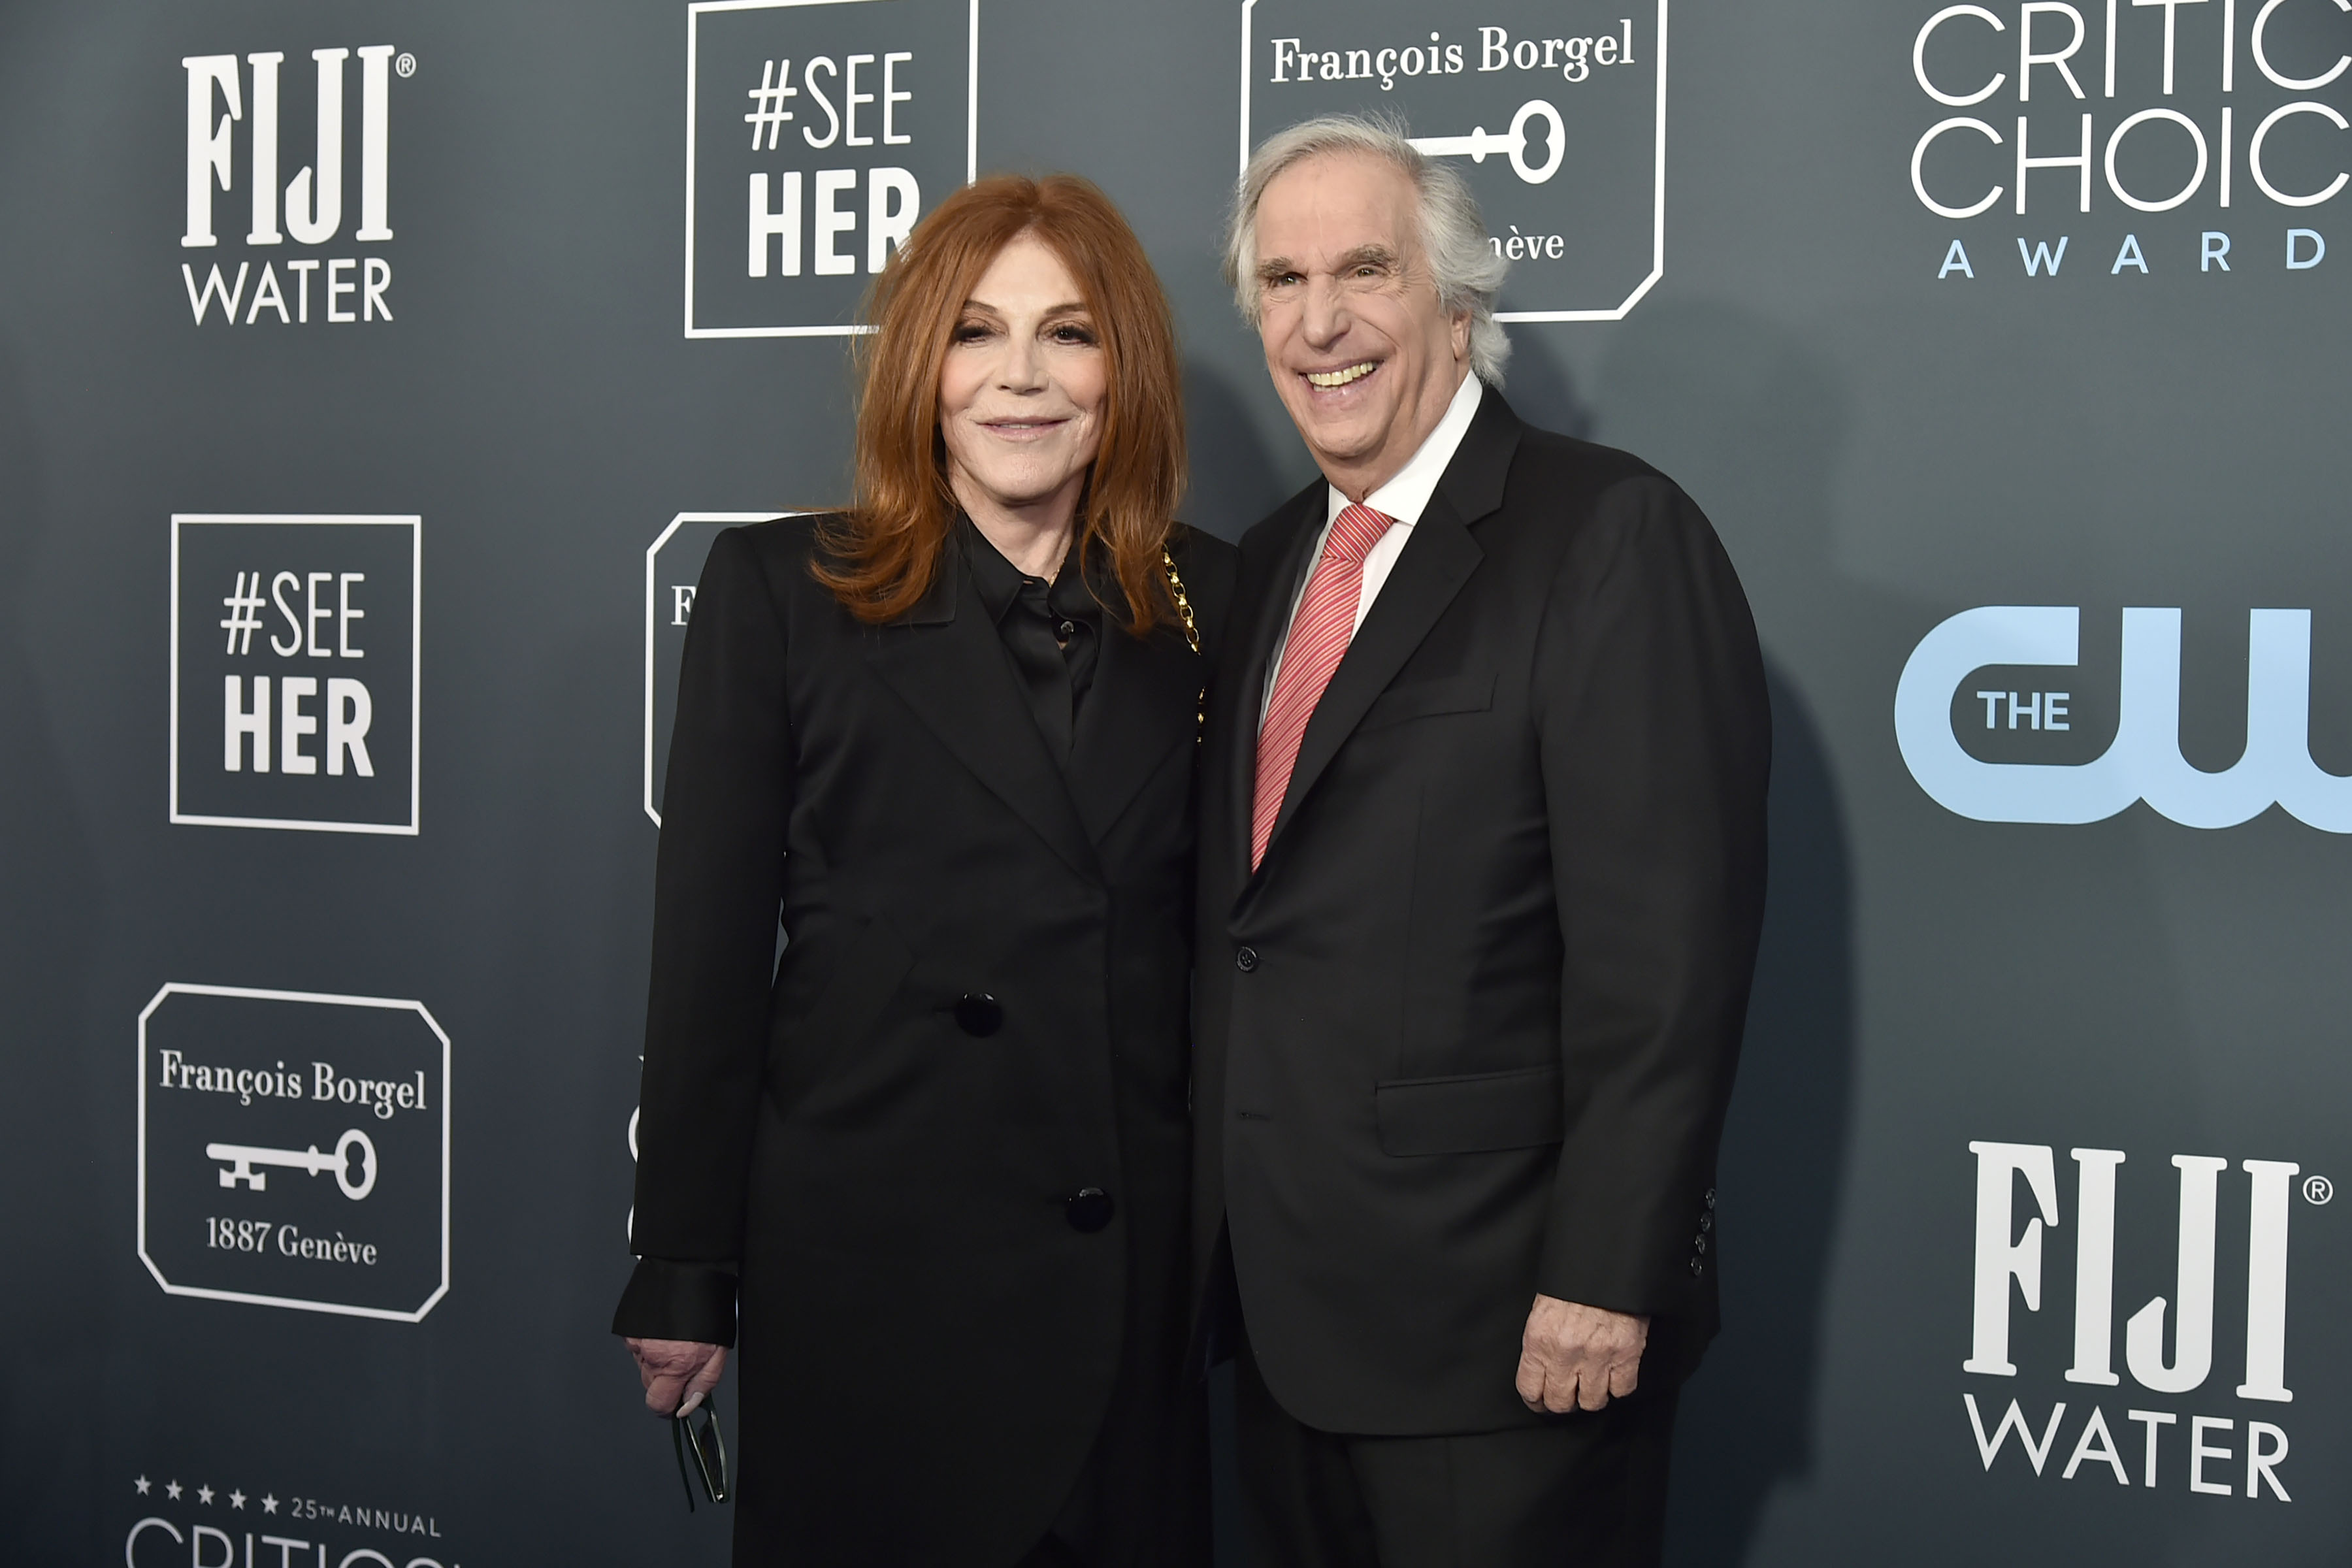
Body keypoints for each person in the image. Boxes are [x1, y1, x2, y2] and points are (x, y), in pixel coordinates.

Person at [613, 173, 1235, 1568]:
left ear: (1122, 371)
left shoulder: (1209, 599)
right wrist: (683, 1267)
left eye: (1069, 335)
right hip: (871, 1273)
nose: (1022, 378)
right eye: (974, 332)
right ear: (918, 367)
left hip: (1119, 1276)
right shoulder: (783, 593)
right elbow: (708, 959)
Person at [1192, 116, 1771, 1565]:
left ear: (1457, 307)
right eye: (1282, 281)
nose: (1320, 322)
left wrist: (1606, 1274)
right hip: (1275, 1331)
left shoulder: (1609, 535)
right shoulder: (1267, 564)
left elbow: (1668, 959)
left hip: (1509, 1346)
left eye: (1365, 271)